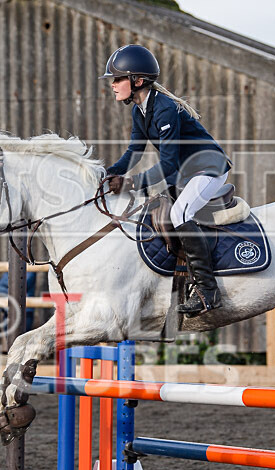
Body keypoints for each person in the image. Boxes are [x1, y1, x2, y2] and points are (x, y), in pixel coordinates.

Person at [100, 44, 233, 317]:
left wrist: (131, 184)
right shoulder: (139, 111)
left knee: (180, 213)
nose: (112, 85)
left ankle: (208, 293)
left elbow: (169, 165)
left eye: (117, 79)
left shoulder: (165, 109)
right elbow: (134, 152)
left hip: (208, 168)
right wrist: (108, 173)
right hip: (187, 172)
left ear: (137, 81)